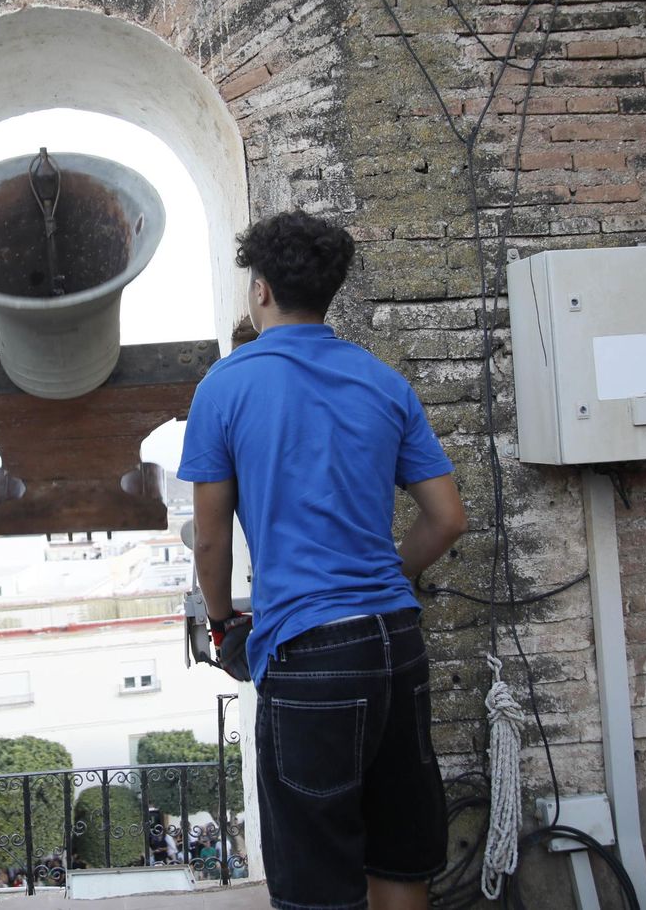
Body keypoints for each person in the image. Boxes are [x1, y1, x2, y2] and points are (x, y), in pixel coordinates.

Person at [179, 211, 467, 910]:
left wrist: (221, 625)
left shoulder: (225, 386)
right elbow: (447, 518)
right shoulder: (382, 382)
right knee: (399, 860)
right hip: (396, 641)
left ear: (262, 290)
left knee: (317, 880)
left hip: (311, 653)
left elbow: (211, 540)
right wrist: (390, 579)